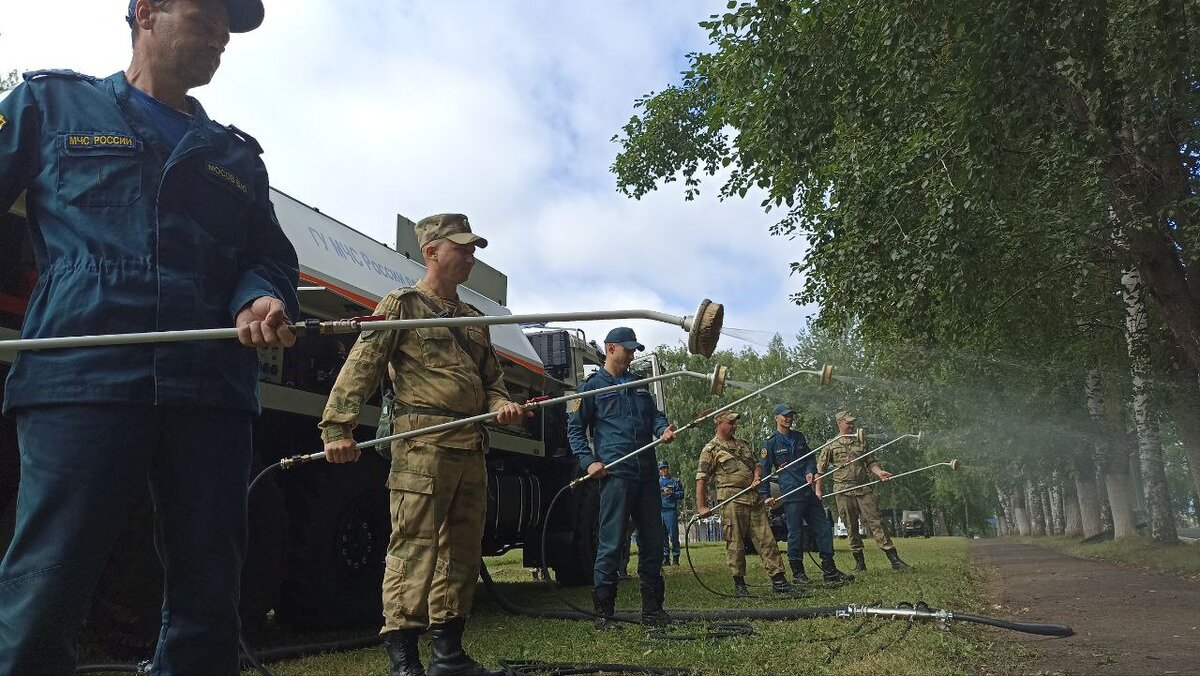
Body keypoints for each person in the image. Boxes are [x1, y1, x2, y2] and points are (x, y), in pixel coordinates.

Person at [0, 1, 298, 673]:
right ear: (147, 13)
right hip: (82, 373)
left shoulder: (236, 158)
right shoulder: (49, 107)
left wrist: (259, 293)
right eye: (208, 15)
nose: (223, 34)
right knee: (46, 583)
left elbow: (270, 257)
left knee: (210, 595)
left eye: (231, 26)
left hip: (210, 390)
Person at [319, 214, 523, 676]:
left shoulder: (475, 319)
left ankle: (448, 656)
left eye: (474, 250)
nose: (472, 258)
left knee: (463, 552)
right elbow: (362, 367)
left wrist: (502, 404)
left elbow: (493, 380)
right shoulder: (402, 305)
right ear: (432, 252)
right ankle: (405, 660)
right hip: (423, 447)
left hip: (471, 445)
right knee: (413, 548)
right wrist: (338, 429)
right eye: (463, 249)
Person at [568, 327, 675, 630]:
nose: (632, 355)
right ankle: (604, 613)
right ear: (611, 348)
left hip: (647, 472)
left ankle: (653, 610)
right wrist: (589, 462)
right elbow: (575, 430)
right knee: (611, 542)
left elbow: (656, 416)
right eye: (627, 349)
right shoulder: (591, 387)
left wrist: (662, 429)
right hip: (616, 473)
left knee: (653, 540)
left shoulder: (640, 385)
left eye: (634, 350)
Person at [696, 411, 792, 597]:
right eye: (730, 422)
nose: (734, 426)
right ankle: (740, 584)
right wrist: (702, 507)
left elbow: (757, 465)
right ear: (719, 423)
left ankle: (779, 581)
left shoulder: (743, 444)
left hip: (753, 498)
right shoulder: (711, 449)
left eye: (735, 423)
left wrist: (757, 477)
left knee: (767, 539)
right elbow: (701, 479)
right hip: (732, 500)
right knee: (735, 543)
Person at [760, 404, 854, 584]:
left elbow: (810, 458)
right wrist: (765, 496)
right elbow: (764, 470)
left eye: (791, 416)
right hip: (791, 492)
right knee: (795, 533)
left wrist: (811, 471)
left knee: (824, 528)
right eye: (785, 416)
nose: (789, 419)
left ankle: (830, 570)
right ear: (776, 418)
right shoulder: (770, 443)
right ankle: (798, 573)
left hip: (807, 490)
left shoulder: (799, 437)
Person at [818, 410, 911, 572]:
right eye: (848, 422)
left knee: (876, 522)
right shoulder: (830, 445)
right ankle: (860, 563)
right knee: (851, 526)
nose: (852, 425)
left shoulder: (861, 442)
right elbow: (820, 471)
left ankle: (894, 560)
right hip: (843, 490)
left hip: (863, 488)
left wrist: (879, 472)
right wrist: (818, 491)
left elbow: (871, 462)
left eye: (853, 422)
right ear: (839, 423)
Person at [658, 459, 684, 565]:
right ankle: (665, 558)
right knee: (662, 536)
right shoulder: (657, 482)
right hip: (660, 511)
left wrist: (672, 494)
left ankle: (676, 557)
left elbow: (681, 494)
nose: (663, 470)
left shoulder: (674, 481)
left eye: (665, 467)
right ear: (659, 470)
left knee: (673, 535)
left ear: (668, 468)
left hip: (670, 511)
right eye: (661, 468)